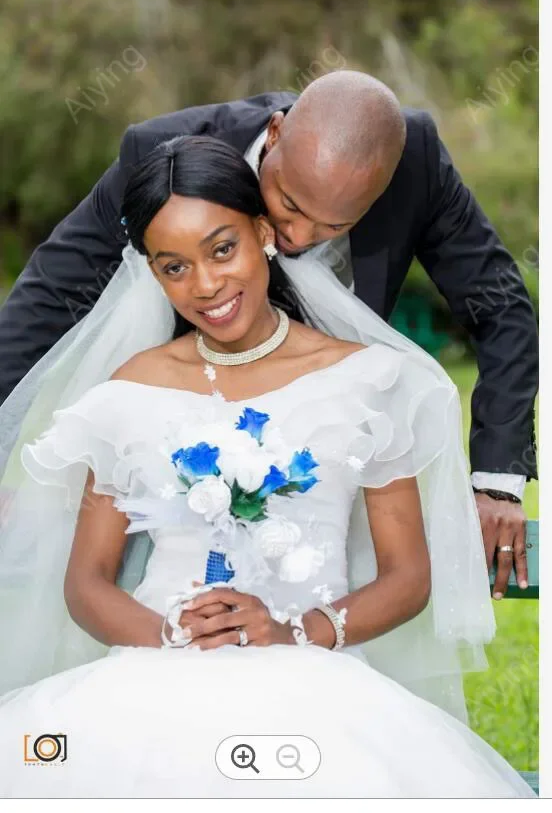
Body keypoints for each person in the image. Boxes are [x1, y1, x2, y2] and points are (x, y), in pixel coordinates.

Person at [0, 136, 535, 798]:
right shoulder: (128, 392)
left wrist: (296, 630)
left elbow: (407, 577)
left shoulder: (365, 382)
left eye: (222, 249)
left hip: (313, 673)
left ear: (263, 232)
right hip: (149, 678)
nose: (205, 285)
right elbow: (87, 581)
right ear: (152, 273)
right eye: (173, 266)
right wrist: (169, 634)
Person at [0, 72, 537, 599]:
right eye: (291, 206)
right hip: (193, 437)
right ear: (275, 135)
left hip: (335, 444)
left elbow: (500, 308)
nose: (299, 237)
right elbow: (48, 299)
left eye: (334, 225)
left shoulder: (411, 158)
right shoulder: (161, 155)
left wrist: (496, 482)